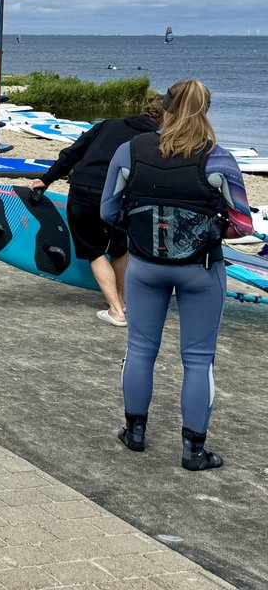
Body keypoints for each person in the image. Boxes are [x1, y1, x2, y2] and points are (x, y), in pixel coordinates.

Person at [101, 79, 249, 471]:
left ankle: (134, 433)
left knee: (140, 349)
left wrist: (141, 228)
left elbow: (108, 211)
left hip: (144, 266)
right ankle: (194, 451)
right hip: (201, 269)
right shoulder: (219, 159)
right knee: (198, 360)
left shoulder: (131, 151)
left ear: (164, 108)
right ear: (205, 111)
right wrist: (203, 230)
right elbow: (242, 225)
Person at [29, 96, 163, 325]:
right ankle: (121, 305)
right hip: (119, 196)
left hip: (83, 190)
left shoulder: (107, 125)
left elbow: (72, 153)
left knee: (94, 251)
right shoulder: (155, 140)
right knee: (120, 249)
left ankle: (116, 308)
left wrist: (47, 179)